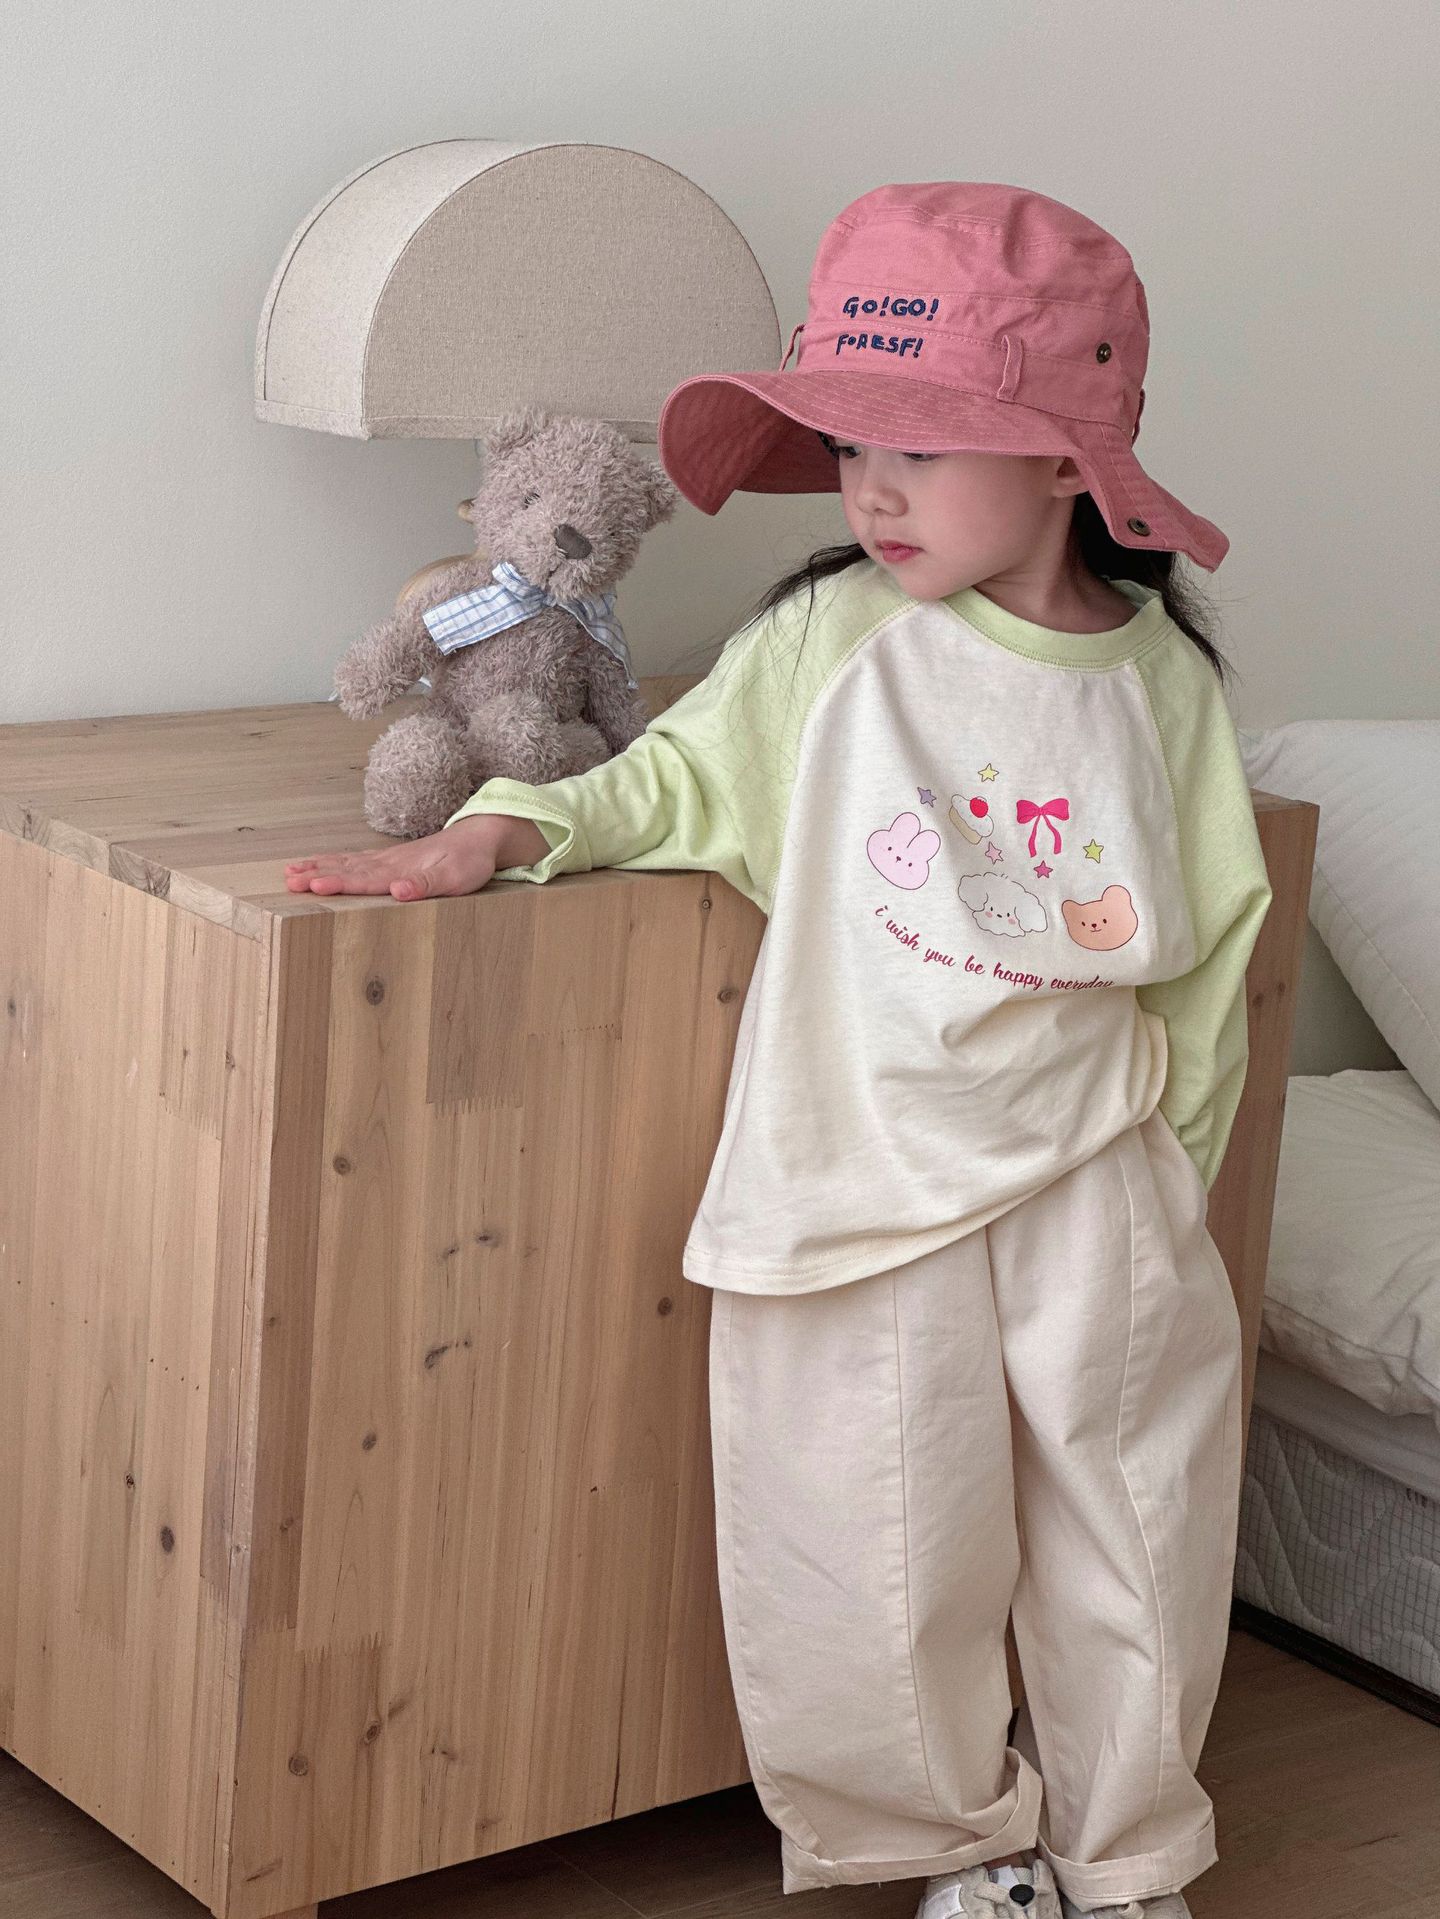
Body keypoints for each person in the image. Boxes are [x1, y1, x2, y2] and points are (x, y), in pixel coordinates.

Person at [285, 182, 1273, 1919]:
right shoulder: (833, 639)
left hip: (1095, 1183)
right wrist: (503, 830)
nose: (872, 488)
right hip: (859, 1176)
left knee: (1141, 1528)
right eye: (853, 443)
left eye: (922, 444)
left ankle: (1125, 1863)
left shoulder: (1163, 688)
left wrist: (1176, 1185)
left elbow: (1209, 958)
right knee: (869, 1542)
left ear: (1067, 461)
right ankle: (966, 1852)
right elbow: (670, 781)